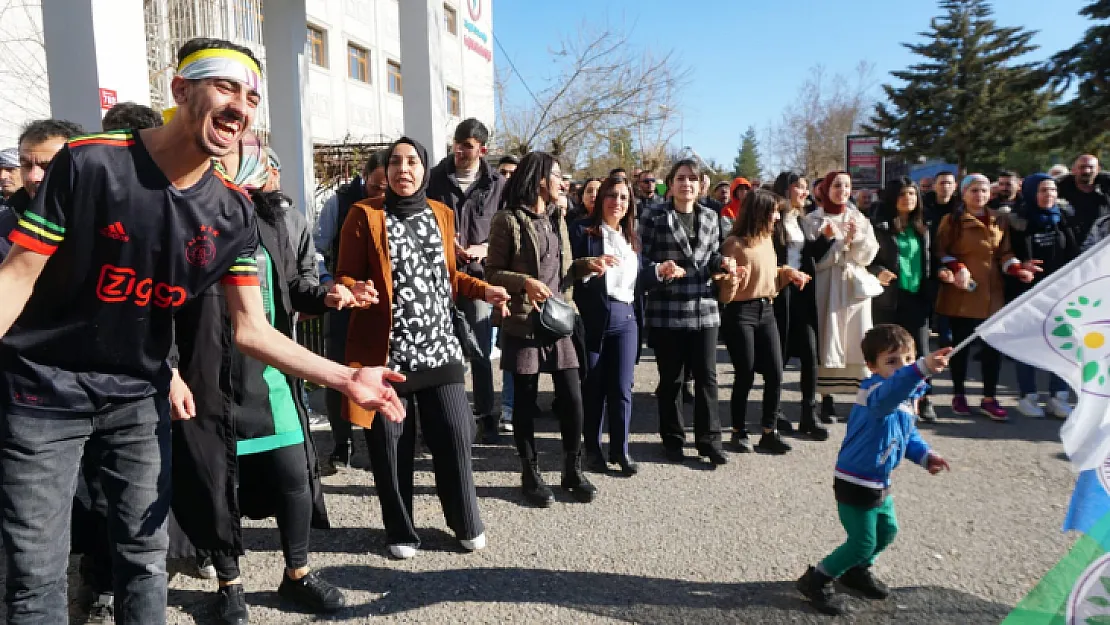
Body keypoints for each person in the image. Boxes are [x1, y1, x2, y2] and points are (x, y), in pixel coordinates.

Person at [0, 37, 406, 625]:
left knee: (144, 559)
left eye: (251, 96)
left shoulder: (234, 213)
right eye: (225, 87)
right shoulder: (90, 162)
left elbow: (252, 329)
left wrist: (344, 376)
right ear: (181, 91)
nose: (241, 105)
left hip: (136, 397)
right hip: (43, 392)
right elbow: (17, 275)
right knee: (35, 574)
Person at [171, 163, 352, 623]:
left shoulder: (269, 222)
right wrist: (170, 370)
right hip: (209, 377)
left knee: (294, 476)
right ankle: (229, 585)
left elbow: (292, 289)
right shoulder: (183, 220)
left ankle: (298, 575)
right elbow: (162, 306)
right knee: (218, 485)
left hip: (271, 374)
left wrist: (328, 297)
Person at [337, 137, 509, 558]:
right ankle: (400, 529)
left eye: (412, 161)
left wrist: (484, 290)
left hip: (440, 349)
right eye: (395, 162)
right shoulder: (363, 215)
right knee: (392, 445)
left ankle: (465, 520)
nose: (403, 169)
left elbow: (448, 277)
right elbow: (343, 276)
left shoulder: (442, 213)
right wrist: (352, 289)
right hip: (388, 356)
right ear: (387, 171)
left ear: (424, 169)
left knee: (455, 434)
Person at [795, 325, 952, 616]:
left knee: (887, 530)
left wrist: (925, 455)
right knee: (862, 540)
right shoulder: (876, 393)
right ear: (871, 366)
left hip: (880, 480)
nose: (900, 367)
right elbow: (894, 390)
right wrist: (920, 368)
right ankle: (817, 579)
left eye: (907, 359)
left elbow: (907, 436)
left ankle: (856, 571)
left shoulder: (904, 398)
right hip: (855, 480)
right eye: (891, 361)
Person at [486, 151, 600, 507]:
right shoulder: (507, 220)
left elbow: (563, 270)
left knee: (572, 397)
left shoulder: (557, 218)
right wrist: (525, 283)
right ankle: (530, 473)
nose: (562, 182)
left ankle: (572, 469)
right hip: (524, 321)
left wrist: (586, 266)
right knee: (525, 401)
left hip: (560, 317)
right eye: (557, 175)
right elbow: (491, 273)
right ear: (539, 180)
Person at [639, 159, 737, 465]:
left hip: (704, 306)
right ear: (670, 184)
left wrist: (722, 263)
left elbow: (710, 256)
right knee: (672, 379)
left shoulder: (710, 216)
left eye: (692, 179)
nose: (687, 184)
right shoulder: (654, 216)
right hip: (668, 306)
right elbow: (641, 259)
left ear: (701, 184)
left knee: (708, 377)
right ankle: (673, 439)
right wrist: (660, 269)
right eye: (681, 178)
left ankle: (710, 441)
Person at [426, 118, 507, 443]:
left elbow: (505, 228)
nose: (460, 151)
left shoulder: (496, 184)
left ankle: (486, 414)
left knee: (479, 349)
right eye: (457, 144)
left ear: (482, 150)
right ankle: (445, 416)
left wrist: (484, 247)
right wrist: (448, 244)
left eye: (467, 146)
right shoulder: (433, 178)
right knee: (439, 350)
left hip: (477, 279)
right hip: (438, 278)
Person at [935, 174, 1040, 421]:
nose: (979, 195)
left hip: (993, 293)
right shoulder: (952, 220)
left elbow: (1005, 253)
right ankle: (959, 394)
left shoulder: (999, 219)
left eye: (983, 190)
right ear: (964, 193)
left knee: (992, 349)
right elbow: (940, 251)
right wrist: (957, 267)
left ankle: (989, 398)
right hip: (962, 291)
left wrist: (1017, 269)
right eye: (973, 190)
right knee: (960, 346)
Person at [718, 190, 810, 454]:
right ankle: (738, 431)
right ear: (758, 212)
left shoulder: (768, 239)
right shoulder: (734, 243)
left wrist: (788, 273)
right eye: (773, 211)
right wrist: (731, 279)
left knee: (775, 372)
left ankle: (769, 431)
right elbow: (722, 286)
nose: (777, 216)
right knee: (745, 374)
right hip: (740, 313)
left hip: (767, 310)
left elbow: (769, 274)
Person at [315, 149, 389, 473]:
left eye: (387, 189)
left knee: (385, 372)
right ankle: (341, 442)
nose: (382, 195)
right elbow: (316, 249)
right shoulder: (341, 202)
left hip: (384, 305)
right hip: (345, 300)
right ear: (365, 178)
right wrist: (332, 284)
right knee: (339, 373)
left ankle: (382, 440)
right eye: (376, 187)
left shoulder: (402, 206)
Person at [572, 175, 645, 476]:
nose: (617, 202)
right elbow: (569, 273)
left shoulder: (632, 238)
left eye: (624, 198)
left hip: (627, 318)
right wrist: (591, 265)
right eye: (612, 196)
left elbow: (638, 281)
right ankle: (592, 450)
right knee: (594, 388)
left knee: (622, 388)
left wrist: (661, 271)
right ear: (601, 198)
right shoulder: (582, 231)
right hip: (594, 317)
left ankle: (621, 449)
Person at [805, 171, 880, 423]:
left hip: (853, 288)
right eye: (837, 185)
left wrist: (854, 238)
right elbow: (814, 260)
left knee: (857, 338)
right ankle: (826, 398)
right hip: (826, 285)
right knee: (829, 336)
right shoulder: (814, 220)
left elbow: (868, 256)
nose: (843, 190)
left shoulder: (859, 218)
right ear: (825, 189)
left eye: (847, 186)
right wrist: (836, 243)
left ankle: (861, 397)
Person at [1008, 173, 1079, 419]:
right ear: (1030, 193)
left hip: (1060, 294)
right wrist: (1019, 267)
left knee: (1062, 345)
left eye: (1052, 190)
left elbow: (1074, 253)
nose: (1049, 195)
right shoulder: (1017, 221)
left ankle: (1058, 396)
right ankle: (1028, 396)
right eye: (1042, 190)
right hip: (1027, 293)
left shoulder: (1063, 220)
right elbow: (1006, 254)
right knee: (1028, 344)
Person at [868, 177, 936, 422]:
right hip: (890, 299)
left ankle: (923, 398)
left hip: (917, 296)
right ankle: (888, 397)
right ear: (892, 198)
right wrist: (878, 272)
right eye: (902, 194)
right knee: (890, 351)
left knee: (920, 350)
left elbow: (932, 258)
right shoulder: (880, 226)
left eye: (912, 194)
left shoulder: (924, 227)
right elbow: (867, 259)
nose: (908, 199)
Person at [771, 172, 832, 438]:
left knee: (810, 354)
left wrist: (825, 240)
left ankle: (809, 413)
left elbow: (809, 257)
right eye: (800, 187)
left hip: (803, 292)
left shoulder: (802, 219)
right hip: (780, 292)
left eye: (806, 188)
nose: (805, 193)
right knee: (779, 356)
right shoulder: (773, 219)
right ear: (786, 189)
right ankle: (774, 411)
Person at [922, 170, 960, 347]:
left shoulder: (961, 208)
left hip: (954, 263)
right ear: (934, 186)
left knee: (948, 311)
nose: (945, 187)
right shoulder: (923, 208)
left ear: (955, 186)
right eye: (942, 183)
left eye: (949, 183)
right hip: (928, 263)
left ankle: (947, 345)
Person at [1057, 154, 1110, 245]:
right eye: (1082, 167)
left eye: (1090, 167)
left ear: (1098, 170)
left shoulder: (1106, 190)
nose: (1086, 171)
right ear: (1073, 170)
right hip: (1072, 245)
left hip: (1101, 245)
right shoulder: (1060, 191)